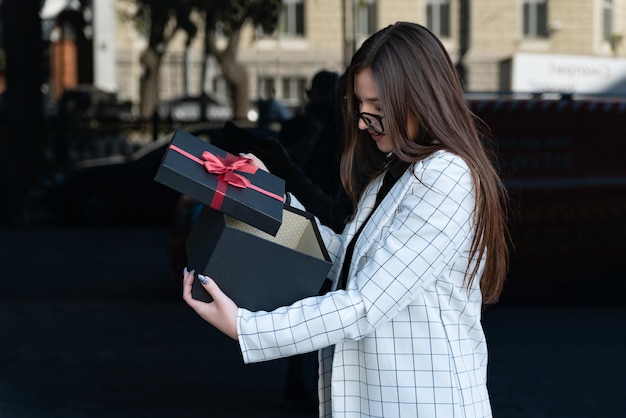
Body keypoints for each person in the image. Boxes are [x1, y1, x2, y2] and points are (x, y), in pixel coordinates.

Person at [182, 21, 509, 417]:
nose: (361, 122)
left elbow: (365, 302)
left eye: (377, 109)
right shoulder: (395, 171)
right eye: (360, 106)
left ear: (421, 99)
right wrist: (270, 198)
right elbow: (346, 260)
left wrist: (249, 329)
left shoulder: (445, 175)